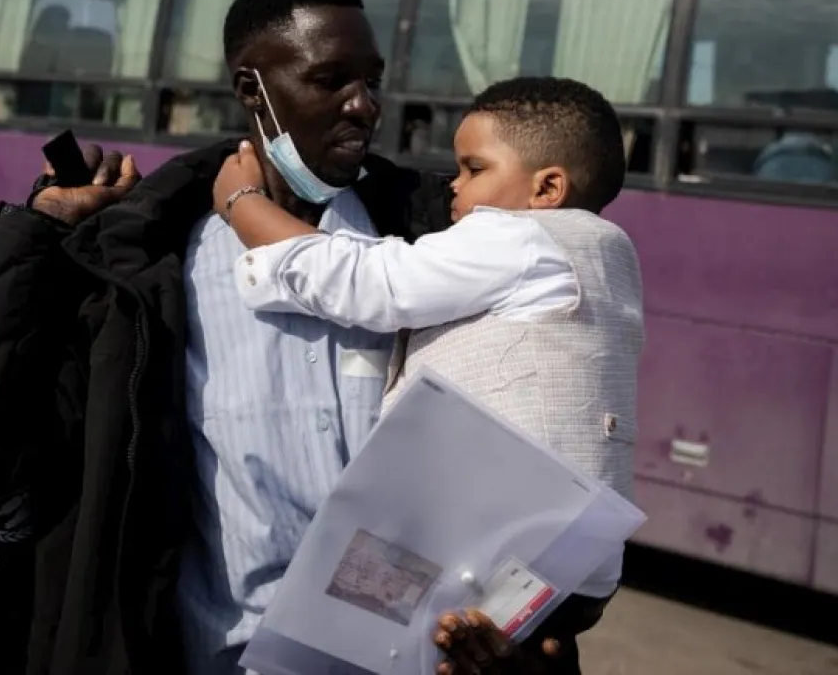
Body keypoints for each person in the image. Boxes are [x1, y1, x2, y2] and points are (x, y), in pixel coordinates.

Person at [0, 0, 604, 675]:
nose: (364, 106)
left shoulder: (430, 246)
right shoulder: (148, 264)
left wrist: (511, 637)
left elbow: (548, 452)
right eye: (330, 80)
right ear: (252, 90)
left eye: (372, 80)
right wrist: (40, 231)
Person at [211, 76, 642, 643]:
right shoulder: (610, 254)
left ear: (548, 188)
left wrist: (244, 208)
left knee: (334, 640)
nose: (453, 184)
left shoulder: (517, 239)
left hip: (486, 538)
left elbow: (374, 280)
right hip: (581, 565)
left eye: (474, 168)